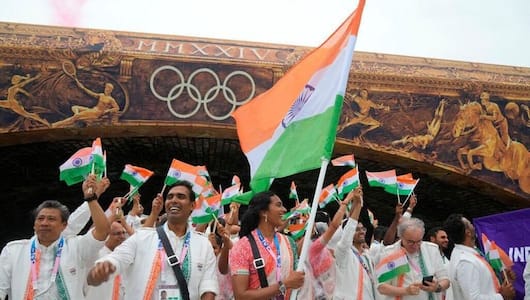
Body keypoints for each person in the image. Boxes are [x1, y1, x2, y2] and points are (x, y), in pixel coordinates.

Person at [87, 181, 219, 300]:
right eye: (170, 197)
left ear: (192, 205)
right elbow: (118, 258)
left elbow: (208, 285)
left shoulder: (203, 244)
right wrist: (104, 266)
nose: (173, 200)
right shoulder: (142, 238)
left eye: (181, 196)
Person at [0, 174, 110, 299]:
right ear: (34, 225)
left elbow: (103, 231)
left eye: (51, 219)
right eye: (40, 219)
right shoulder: (14, 251)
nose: (44, 223)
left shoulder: (76, 246)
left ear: (63, 225)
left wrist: (91, 199)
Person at [229, 191, 304, 299]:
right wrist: (284, 285)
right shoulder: (243, 247)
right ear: (263, 212)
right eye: (278, 205)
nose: (284, 210)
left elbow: (296, 281)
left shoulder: (289, 242)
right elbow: (241, 296)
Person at [443, 214, 515, 300]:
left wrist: (502, 280)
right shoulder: (465, 261)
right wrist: (502, 296)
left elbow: (484, 286)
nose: (473, 226)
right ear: (468, 232)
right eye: (470, 224)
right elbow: (473, 298)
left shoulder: (470, 254)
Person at [377, 217, 450, 300]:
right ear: (401, 237)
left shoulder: (431, 249)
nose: (415, 246)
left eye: (419, 241)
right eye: (410, 242)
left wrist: (437, 287)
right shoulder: (390, 253)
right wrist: (405, 291)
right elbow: (381, 287)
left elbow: (445, 280)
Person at [333, 187, 378, 300]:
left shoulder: (368, 255)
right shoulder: (343, 253)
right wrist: (357, 205)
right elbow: (348, 231)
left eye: (363, 229)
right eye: (356, 230)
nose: (361, 232)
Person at [52, 77, 120, 128]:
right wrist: (82, 87)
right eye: (106, 88)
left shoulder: (111, 99)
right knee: (74, 107)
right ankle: (76, 115)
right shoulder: (101, 95)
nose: (106, 90)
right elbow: (90, 93)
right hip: (93, 110)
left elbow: (117, 108)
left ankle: (56, 125)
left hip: (97, 113)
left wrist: (108, 110)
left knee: (76, 116)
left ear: (111, 90)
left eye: (108, 89)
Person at [85, 221, 128, 300]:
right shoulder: (96, 255)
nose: (122, 236)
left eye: (123, 233)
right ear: (107, 235)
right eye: (117, 233)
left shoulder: (125, 257)